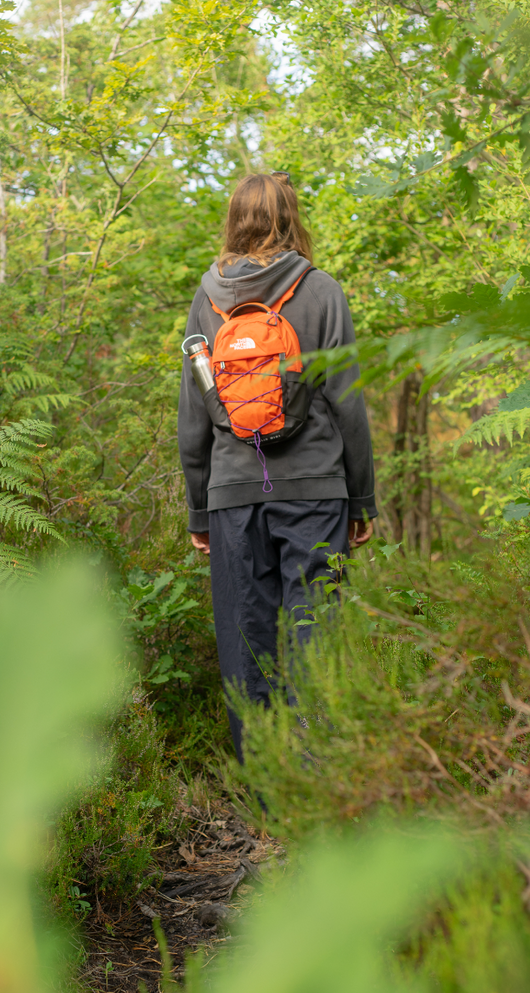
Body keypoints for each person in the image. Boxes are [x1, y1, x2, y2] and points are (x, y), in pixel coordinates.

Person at [177, 172, 377, 762]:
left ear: (235, 219)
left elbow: (195, 411)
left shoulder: (207, 298)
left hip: (234, 490)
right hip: (315, 488)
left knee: (244, 633)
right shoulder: (321, 291)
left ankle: (264, 786)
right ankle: (319, 775)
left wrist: (198, 507)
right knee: (316, 625)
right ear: (291, 216)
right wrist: (361, 501)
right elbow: (348, 402)